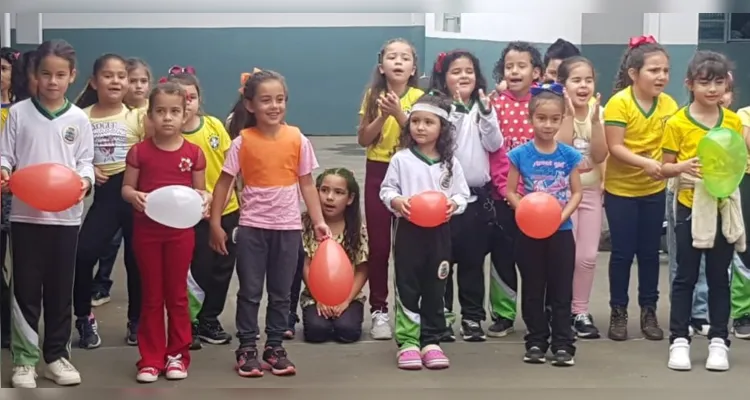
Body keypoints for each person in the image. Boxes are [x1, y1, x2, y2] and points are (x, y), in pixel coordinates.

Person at [210, 70, 330, 378]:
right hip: (251, 229)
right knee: (250, 291)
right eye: (266, 100)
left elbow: (306, 184)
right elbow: (224, 184)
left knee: (280, 293)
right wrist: (215, 223)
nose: (274, 106)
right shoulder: (242, 142)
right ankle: (247, 347)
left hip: (288, 230)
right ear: (250, 105)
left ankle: (275, 346)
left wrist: (317, 221)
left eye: (280, 100)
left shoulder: (297, 139)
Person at [1, 39, 94, 388]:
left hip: (66, 218)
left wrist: (83, 183)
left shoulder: (79, 118)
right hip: (25, 217)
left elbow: (85, 162)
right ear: (34, 76)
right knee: (26, 290)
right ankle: (24, 361)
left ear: (71, 76)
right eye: (45, 74)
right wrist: (5, 173)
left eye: (60, 75)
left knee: (59, 290)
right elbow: (5, 155)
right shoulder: (19, 113)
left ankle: (56, 356)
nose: (52, 81)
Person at [123, 81, 211, 383]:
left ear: (185, 114)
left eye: (175, 111)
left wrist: (206, 199)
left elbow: (201, 192)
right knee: (151, 295)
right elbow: (126, 189)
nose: (168, 117)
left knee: (176, 296)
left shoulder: (194, 153)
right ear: (150, 115)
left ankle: (177, 354)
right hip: (146, 233)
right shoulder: (139, 152)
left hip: (179, 235)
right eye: (160, 111)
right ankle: (150, 358)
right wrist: (134, 196)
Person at [662, 50, 742, 372]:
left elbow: (736, 163)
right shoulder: (677, 122)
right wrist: (682, 167)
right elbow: (666, 167)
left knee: (719, 277)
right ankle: (679, 340)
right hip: (687, 209)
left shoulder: (733, 121)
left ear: (727, 85)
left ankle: (719, 342)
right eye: (704, 82)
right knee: (685, 277)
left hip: (722, 208)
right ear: (690, 84)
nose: (712, 89)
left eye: (718, 82)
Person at [380, 93, 470, 370]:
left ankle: (431, 340)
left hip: (439, 234)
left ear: (442, 127)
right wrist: (397, 201)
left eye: (428, 122)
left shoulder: (450, 163)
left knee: (436, 285)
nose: (420, 127)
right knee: (407, 284)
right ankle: (408, 341)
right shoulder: (401, 159)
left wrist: (452, 205)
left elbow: (463, 195)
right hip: (408, 232)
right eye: (415, 121)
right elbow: (386, 190)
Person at [603, 35, 678, 341]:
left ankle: (649, 311)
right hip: (621, 191)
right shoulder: (619, 103)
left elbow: (673, 146)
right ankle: (618, 312)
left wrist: (668, 165)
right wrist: (646, 164)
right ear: (634, 74)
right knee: (622, 254)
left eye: (665, 70)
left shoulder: (669, 104)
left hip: (653, 191)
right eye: (654, 70)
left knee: (649, 254)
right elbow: (615, 147)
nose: (661, 76)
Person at [427, 49, 503, 342]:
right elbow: (446, 144)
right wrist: (456, 114)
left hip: (474, 200)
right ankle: (442, 316)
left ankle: (472, 318)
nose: (463, 76)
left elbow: (494, 143)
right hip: (442, 199)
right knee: (442, 261)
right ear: (443, 78)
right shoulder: (435, 107)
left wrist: (486, 114)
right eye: (456, 71)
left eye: (468, 71)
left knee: (472, 263)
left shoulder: (484, 105)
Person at [506, 82, 582, 366]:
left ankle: (563, 344)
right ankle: (536, 341)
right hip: (529, 235)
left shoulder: (569, 155)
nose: (547, 125)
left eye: (554, 119)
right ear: (530, 118)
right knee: (533, 289)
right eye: (541, 118)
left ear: (562, 120)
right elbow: (510, 191)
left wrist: (560, 217)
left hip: (561, 233)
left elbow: (577, 192)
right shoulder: (520, 154)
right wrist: (525, 210)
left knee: (561, 290)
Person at [73, 53, 145, 349]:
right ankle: (83, 317)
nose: (115, 80)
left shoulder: (137, 116)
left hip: (134, 195)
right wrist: (89, 168)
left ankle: (137, 321)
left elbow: (154, 151)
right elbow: (73, 155)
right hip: (104, 197)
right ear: (93, 81)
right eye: (108, 75)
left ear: (128, 83)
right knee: (82, 256)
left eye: (121, 76)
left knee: (137, 261)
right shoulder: (82, 116)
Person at [167, 70, 240, 349]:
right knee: (195, 270)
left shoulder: (213, 127)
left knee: (222, 268)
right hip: (189, 217)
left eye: (192, 97)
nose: (187, 104)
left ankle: (210, 318)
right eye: (179, 99)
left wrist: (231, 201)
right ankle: (190, 321)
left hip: (225, 211)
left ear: (199, 99)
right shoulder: (167, 136)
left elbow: (230, 166)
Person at [357, 38, 423, 340]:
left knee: (410, 247)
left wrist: (400, 114)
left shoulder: (424, 97)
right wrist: (383, 114)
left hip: (412, 170)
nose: (398, 61)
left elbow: (422, 138)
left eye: (405, 57)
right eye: (392, 57)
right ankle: (379, 310)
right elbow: (364, 139)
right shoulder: (373, 96)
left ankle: (410, 308)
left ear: (413, 68)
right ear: (382, 66)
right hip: (378, 171)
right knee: (380, 246)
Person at [487, 41, 544, 338]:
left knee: (535, 258)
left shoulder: (545, 103)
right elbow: (492, 152)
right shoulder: (495, 104)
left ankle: (537, 313)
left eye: (521, 65)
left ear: (536, 72)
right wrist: (503, 189)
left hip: (539, 196)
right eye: (509, 66)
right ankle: (503, 313)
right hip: (502, 194)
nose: (514, 71)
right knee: (502, 257)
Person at [555, 56, 608, 338]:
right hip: (562, 193)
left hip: (590, 192)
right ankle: (560, 309)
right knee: (565, 254)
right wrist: (565, 114)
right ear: (563, 84)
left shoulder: (599, 112)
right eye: (576, 80)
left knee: (587, 256)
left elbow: (599, 155)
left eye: (588, 80)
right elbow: (562, 153)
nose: (583, 85)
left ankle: (581, 311)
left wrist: (597, 122)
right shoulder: (556, 111)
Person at [301, 168, 368, 344]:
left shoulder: (357, 229)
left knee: (347, 331)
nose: (330, 197)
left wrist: (346, 301)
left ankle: (346, 316)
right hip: (314, 296)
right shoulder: (307, 226)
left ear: (350, 198)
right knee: (317, 332)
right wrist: (319, 299)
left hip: (348, 296)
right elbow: (305, 265)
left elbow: (362, 269)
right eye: (324, 190)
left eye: (339, 193)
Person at [0, 46, 20, 349]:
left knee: (23, 268)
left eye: (3, 68)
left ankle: (14, 328)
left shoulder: (22, 110)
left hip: (18, 197)